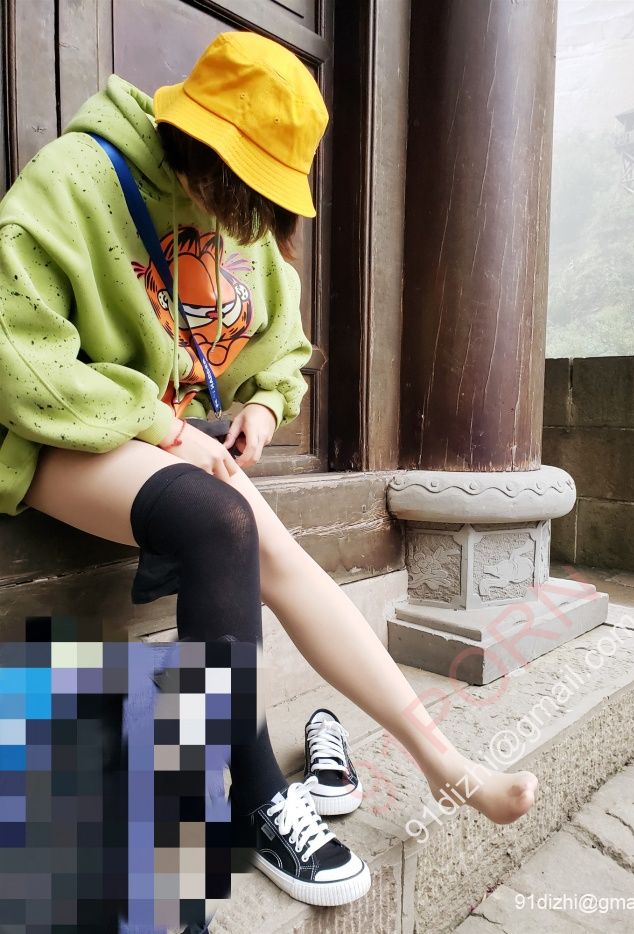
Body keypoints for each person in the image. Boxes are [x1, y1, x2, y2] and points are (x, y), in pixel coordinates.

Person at [0, 29, 538, 917]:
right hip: (58, 432)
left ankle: (444, 761)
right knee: (220, 522)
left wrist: (261, 407)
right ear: (204, 150)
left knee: (278, 553)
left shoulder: (242, 227)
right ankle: (253, 795)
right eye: (247, 188)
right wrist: (165, 425)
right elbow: (19, 358)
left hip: (162, 439)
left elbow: (282, 342)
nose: (251, 220)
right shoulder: (77, 178)